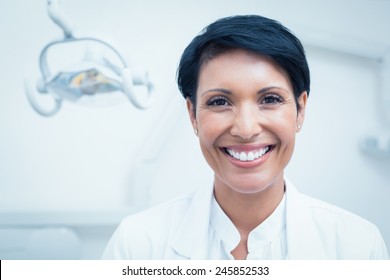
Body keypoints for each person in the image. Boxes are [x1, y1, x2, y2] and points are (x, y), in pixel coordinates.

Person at [102, 15, 389, 260]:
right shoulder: (138, 244)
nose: (246, 128)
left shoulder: (357, 247)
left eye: (270, 99)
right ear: (193, 115)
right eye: (219, 102)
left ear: (300, 110)